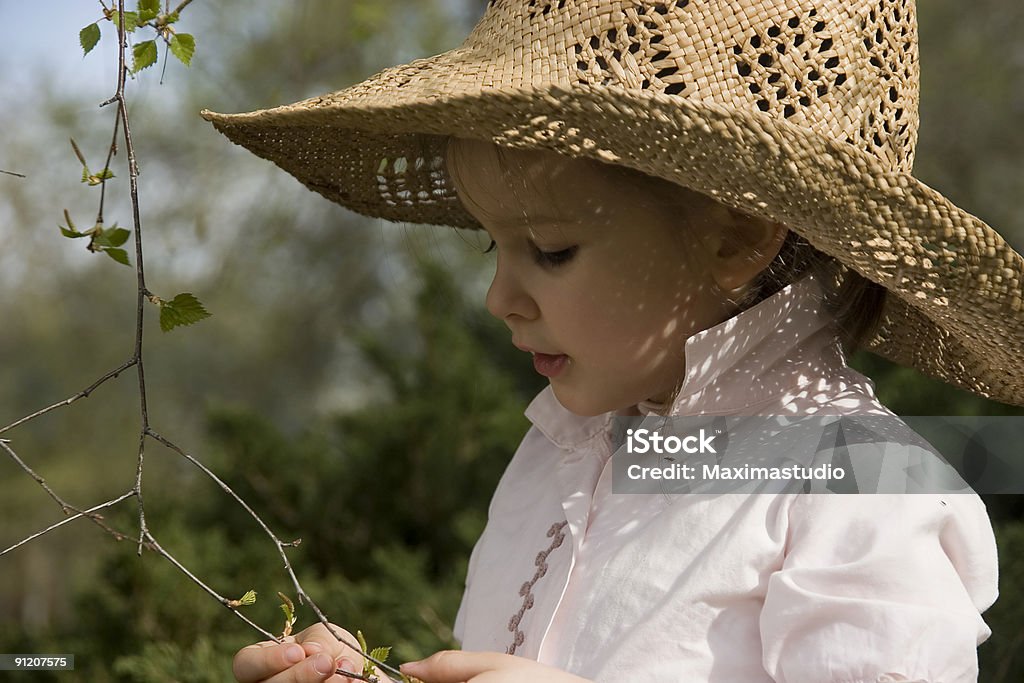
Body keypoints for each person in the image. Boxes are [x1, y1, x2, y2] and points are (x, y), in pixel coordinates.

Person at [203, 0, 1024, 681]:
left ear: (737, 235)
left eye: (551, 250)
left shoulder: (861, 487)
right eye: (496, 246)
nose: (499, 298)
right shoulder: (563, 453)